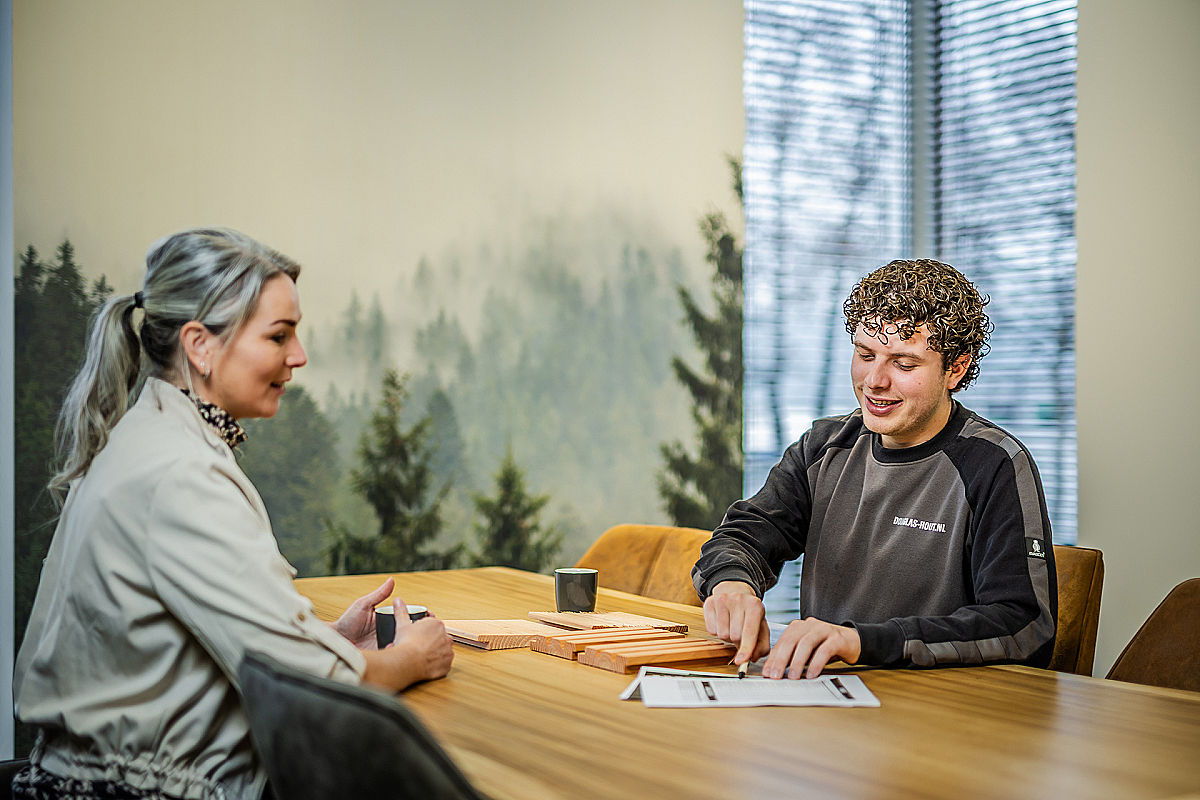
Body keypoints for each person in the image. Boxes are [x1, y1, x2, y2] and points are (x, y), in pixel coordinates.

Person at [12, 228, 454, 800]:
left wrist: (325, 638)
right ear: (200, 346)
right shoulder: (183, 475)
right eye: (278, 335)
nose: (299, 356)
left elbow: (183, 646)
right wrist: (411, 657)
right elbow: (307, 691)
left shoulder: (148, 439)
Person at [693, 259, 1057, 680]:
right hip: (823, 698)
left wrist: (859, 642)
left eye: (903, 364)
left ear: (955, 368)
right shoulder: (824, 446)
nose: (875, 381)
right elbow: (744, 533)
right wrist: (733, 584)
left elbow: (1024, 626)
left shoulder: (995, 464)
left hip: (941, 713)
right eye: (866, 355)